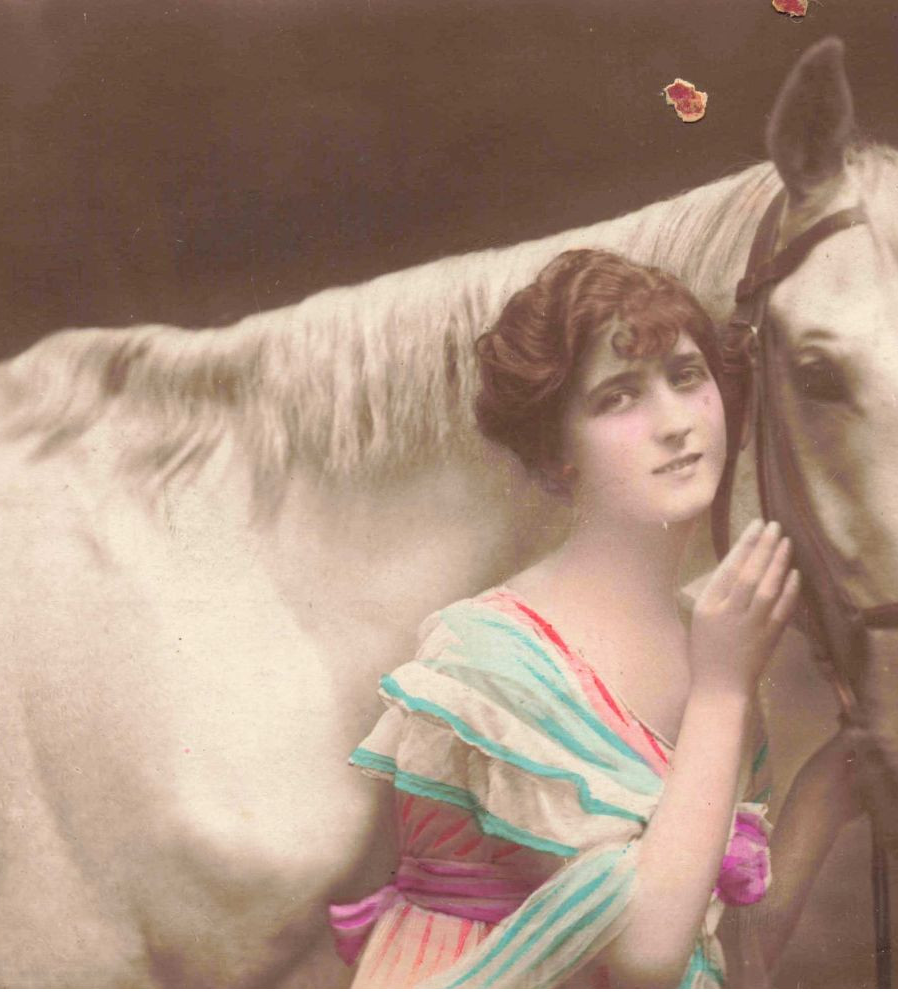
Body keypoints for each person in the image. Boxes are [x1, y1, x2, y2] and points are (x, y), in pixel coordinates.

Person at [329, 249, 864, 988]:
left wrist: (833, 782)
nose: (674, 423)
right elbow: (648, 955)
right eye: (617, 397)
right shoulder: (487, 655)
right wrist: (722, 689)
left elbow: (721, 950)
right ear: (557, 454)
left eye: (685, 377)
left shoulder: (704, 636)